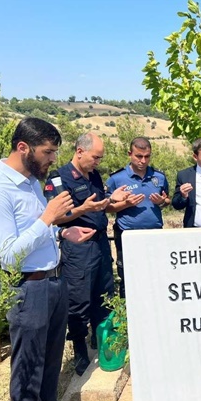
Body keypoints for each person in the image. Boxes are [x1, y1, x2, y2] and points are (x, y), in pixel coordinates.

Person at [0, 118, 95, 401]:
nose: (53, 159)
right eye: (48, 151)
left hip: (54, 280)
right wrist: (48, 217)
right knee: (28, 366)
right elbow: (10, 255)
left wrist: (60, 234)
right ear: (22, 147)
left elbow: (37, 231)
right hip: (27, 288)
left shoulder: (30, 182)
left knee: (52, 356)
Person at [47, 133, 127, 376]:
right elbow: (55, 217)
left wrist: (113, 200)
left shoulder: (93, 175)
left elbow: (100, 204)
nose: (98, 162)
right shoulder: (58, 178)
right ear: (79, 151)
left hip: (101, 243)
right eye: (95, 157)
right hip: (78, 247)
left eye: (100, 158)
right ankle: (80, 350)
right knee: (79, 299)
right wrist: (83, 208)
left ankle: (101, 342)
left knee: (104, 294)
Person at [106, 137, 170, 297]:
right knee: (128, 278)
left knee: (156, 276)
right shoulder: (116, 178)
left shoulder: (159, 177)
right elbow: (105, 207)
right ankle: (126, 318)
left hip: (154, 234)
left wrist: (163, 202)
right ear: (130, 154)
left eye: (147, 156)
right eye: (138, 156)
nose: (143, 161)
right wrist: (126, 204)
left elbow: (167, 200)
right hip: (127, 234)